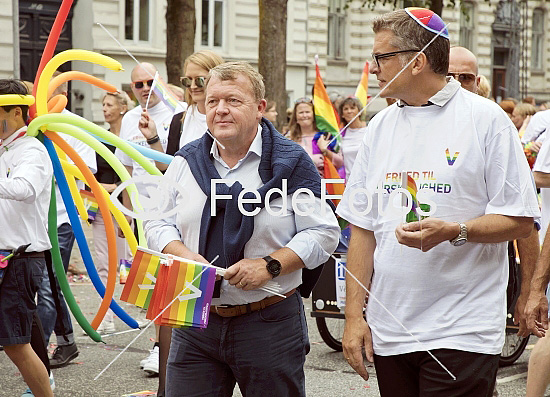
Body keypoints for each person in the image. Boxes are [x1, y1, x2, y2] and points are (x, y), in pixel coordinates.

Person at [336, 8, 539, 396]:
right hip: (391, 327)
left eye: (381, 57)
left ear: (417, 62)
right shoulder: (379, 126)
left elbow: (520, 220)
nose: (373, 67)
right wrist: (353, 318)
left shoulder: (486, 120)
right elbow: (361, 229)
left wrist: (456, 231)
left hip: (461, 329)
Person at [145, 61, 340, 396]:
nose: (220, 110)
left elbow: (323, 233)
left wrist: (269, 266)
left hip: (269, 322)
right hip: (195, 320)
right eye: (212, 101)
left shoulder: (292, 162)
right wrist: (186, 256)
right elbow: (156, 221)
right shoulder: (185, 161)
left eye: (233, 101)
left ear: (260, 108)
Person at [138, 49, 223, 395]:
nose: (192, 87)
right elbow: (168, 168)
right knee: (172, 311)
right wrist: (152, 140)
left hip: (216, 222)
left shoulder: (225, 115)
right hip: (181, 222)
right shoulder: (180, 118)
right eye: (187, 80)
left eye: (199, 79)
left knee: (212, 310)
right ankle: (167, 388)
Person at [449, 46, 541, 338]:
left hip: (478, 298)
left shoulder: (497, 131)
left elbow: (525, 223)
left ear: (477, 84)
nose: (456, 84)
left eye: (465, 77)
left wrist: (528, 291)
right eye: (449, 76)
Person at [115, 62, 186, 376]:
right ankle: (160, 347)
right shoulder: (129, 119)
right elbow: (126, 172)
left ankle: (168, 348)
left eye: (149, 82)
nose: (144, 89)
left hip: (175, 210)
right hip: (143, 213)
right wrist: (125, 215)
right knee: (151, 283)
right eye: (138, 85)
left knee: (175, 277)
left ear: (161, 82)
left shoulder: (179, 113)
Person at [35, 73, 97, 370]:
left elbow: (88, 170)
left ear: (63, 93)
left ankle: (35, 361)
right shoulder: (32, 122)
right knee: (49, 283)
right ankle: (67, 341)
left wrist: (48, 164)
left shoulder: (73, 124)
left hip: (60, 217)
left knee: (48, 285)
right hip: (33, 220)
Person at [0, 79, 54, 396]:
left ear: (16, 112)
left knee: (16, 345)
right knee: (16, 342)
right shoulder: (5, 149)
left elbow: (24, 189)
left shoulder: (32, 150)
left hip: (20, 260)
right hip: (7, 257)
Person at [90, 91, 134, 334]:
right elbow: (90, 174)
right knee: (104, 264)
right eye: (103, 104)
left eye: (109, 104)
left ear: (122, 108)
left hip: (127, 206)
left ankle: (136, 311)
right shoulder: (99, 137)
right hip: (103, 206)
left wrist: (117, 188)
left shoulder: (132, 136)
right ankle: (106, 314)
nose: (105, 109)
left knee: (127, 264)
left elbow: (138, 171)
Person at [287, 98, 343, 175]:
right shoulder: (288, 138)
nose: (304, 115)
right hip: (296, 184)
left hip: (321, 184)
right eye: (301, 112)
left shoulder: (325, 136)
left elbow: (340, 163)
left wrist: (325, 151)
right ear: (295, 117)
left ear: (314, 115)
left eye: (307, 112)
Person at [334, 96, 367, 180]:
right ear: (342, 115)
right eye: (346, 109)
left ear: (359, 111)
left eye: (352, 108)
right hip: (349, 182)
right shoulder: (340, 135)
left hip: (368, 180)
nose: (349, 111)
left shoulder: (369, 131)